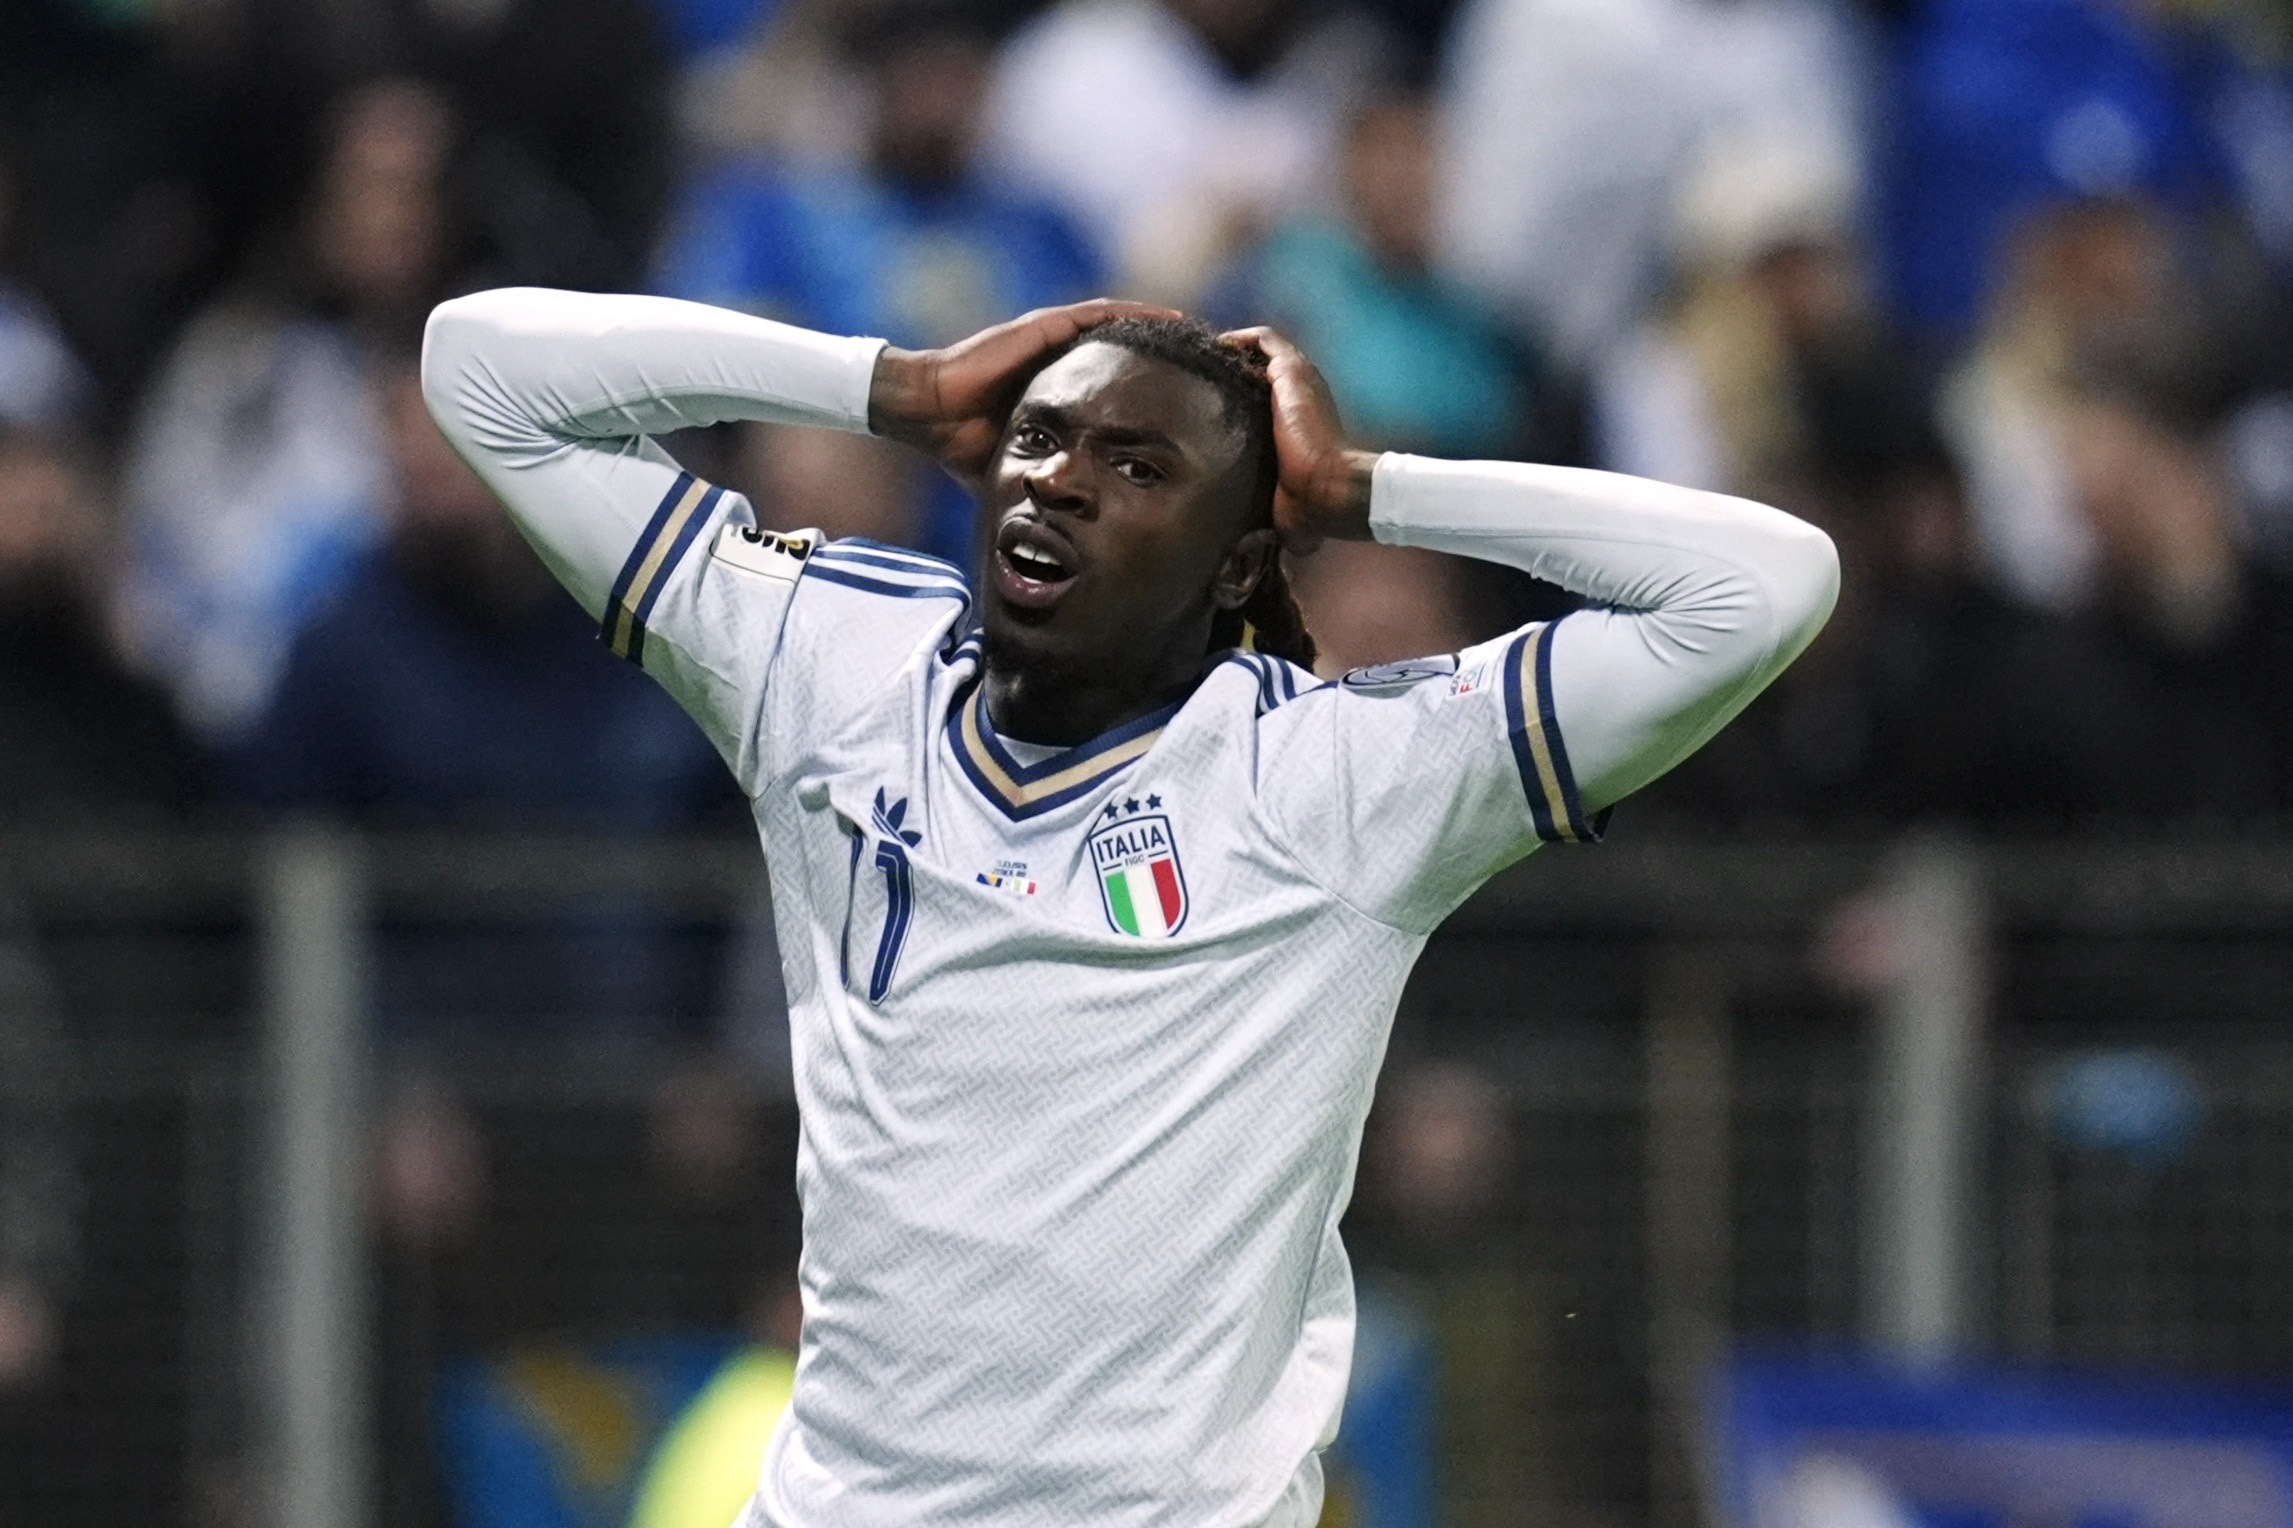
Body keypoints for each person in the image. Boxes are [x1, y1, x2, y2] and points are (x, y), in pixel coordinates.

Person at [422, 287, 1836, 1523]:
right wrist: (893, 387)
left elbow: (1762, 586)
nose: (1060, 482)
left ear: (1237, 561)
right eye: (1038, 440)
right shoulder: (830, 666)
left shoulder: (1340, 781)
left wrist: (1356, 492)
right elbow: (479, 369)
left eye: (1138, 465)